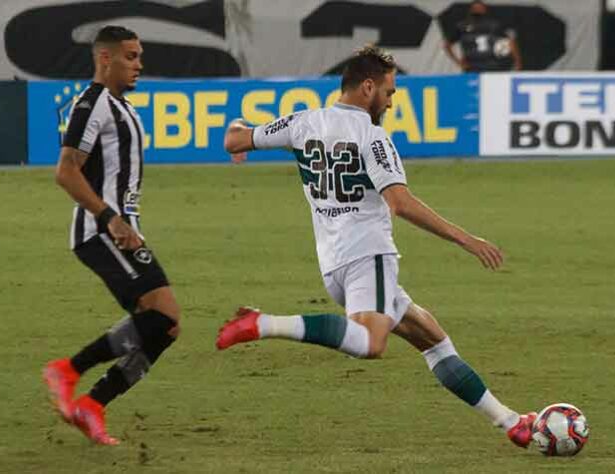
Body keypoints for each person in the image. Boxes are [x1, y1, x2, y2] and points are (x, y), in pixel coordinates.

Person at [217, 45, 536, 449]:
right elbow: (399, 203)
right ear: (368, 87)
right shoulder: (373, 137)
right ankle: (264, 323)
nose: (390, 101)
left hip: (333, 262)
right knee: (370, 344)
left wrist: (241, 131)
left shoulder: (303, 122)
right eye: (389, 92)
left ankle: (510, 423)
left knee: (434, 340)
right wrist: (467, 240)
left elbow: (233, 140)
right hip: (369, 256)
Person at [42, 25, 181, 446]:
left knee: (166, 326)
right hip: (101, 232)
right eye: (131, 56)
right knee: (163, 316)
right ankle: (69, 372)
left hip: (123, 231)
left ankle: (93, 404)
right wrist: (110, 219)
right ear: (106, 59)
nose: (139, 64)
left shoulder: (121, 106)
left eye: (139, 56)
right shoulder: (92, 105)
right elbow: (66, 171)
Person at [443, 0, 522, 72]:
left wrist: (517, 61)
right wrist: (458, 62)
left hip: (493, 66)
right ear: (471, 9)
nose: (478, 10)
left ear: (484, 9)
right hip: (472, 67)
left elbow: (510, 41)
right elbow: (447, 45)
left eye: (479, 8)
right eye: (475, 8)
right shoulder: (462, 26)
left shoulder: (495, 24)